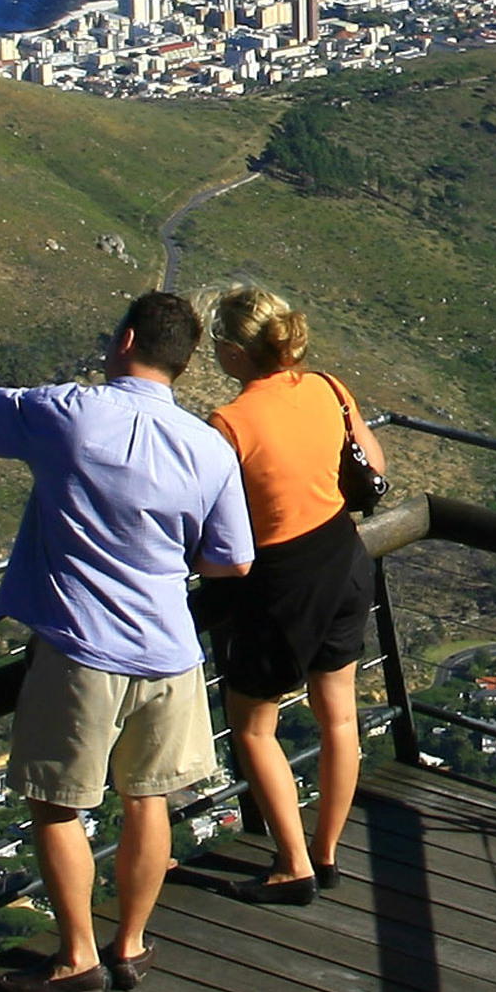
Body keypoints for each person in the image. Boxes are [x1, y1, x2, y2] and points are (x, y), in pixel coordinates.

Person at [0, 290, 256, 992]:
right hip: (171, 653)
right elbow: (233, 561)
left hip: (82, 649)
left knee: (59, 805)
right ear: (185, 364)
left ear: (126, 341)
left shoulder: (71, 413)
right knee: (149, 800)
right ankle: (131, 944)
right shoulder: (210, 448)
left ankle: (78, 957)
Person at [192, 286, 387, 907]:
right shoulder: (328, 387)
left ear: (231, 352)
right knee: (340, 716)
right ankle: (325, 854)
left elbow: (210, 522)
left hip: (282, 580)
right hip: (344, 556)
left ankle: (293, 866)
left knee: (252, 726)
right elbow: (375, 465)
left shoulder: (229, 423)